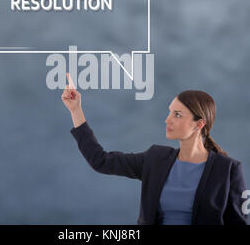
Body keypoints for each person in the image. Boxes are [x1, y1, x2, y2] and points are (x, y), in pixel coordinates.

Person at [61, 73, 249, 225]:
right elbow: (101, 161)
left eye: (177, 114)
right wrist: (76, 111)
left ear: (198, 124)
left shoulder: (228, 170)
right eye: (169, 112)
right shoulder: (155, 159)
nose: (168, 119)